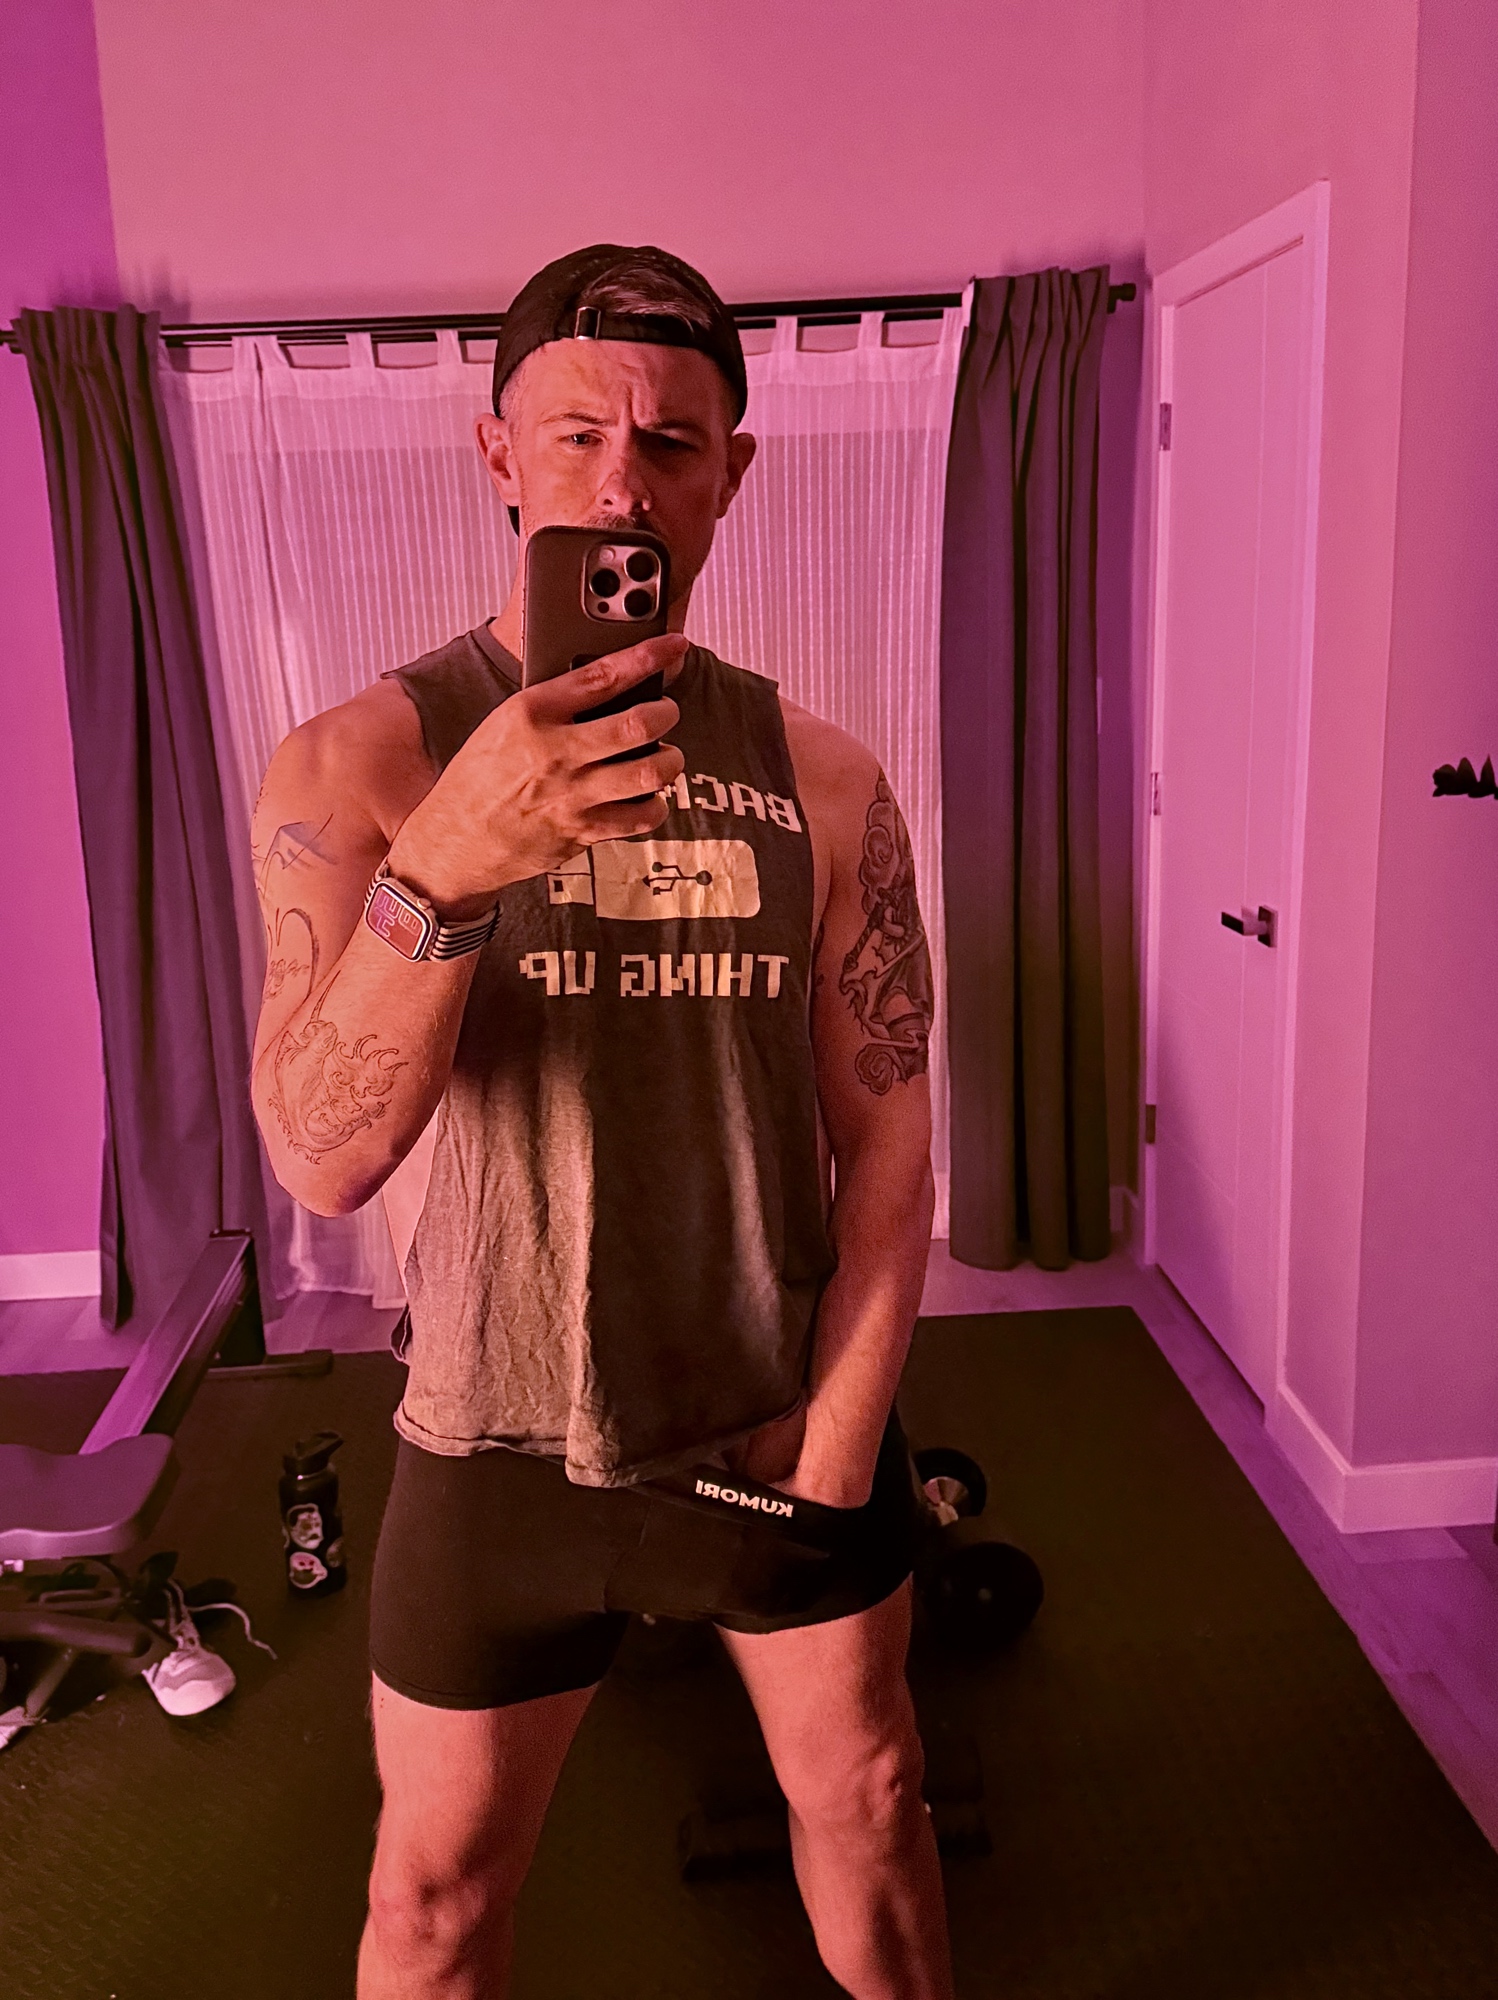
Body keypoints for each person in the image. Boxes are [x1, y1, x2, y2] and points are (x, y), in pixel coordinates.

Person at [249, 243, 950, 2000]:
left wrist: (847, 1429)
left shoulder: (826, 778)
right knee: (430, 1904)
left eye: (672, 444)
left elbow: (886, 1136)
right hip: (493, 1435)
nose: (622, 482)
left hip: (770, 1414)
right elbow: (319, 1154)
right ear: (498, 454)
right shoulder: (360, 763)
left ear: (730, 477)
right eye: (575, 434)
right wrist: (446, 868)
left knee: (873, 1800)